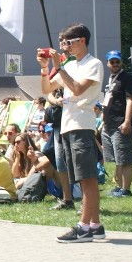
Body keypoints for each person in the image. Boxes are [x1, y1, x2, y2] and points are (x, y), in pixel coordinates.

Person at [38, 23, 105, 243]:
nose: (64, 46)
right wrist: (45, 67)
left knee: (87, 178)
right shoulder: (70, 64)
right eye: (63, 43)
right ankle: (95, 225)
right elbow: (47, 89)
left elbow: (77, 89)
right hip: (68, 124)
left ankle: (84, 227)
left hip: (82, 124)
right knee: (81, 178)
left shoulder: (93, 64)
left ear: (81, 41)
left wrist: (61, 67)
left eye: (68, 42)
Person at [101, 50, 132, 198]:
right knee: (117, 158)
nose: (115, 64)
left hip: (121, 124)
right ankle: (119, 186)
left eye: (117, 61)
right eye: (112, 62)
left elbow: (130, 100)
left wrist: (127, 121)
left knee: (125, 158)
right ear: (108, 63)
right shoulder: (111, 79)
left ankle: (126, 190)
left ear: (121, 62)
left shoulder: (127, 78)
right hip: (109, 124)